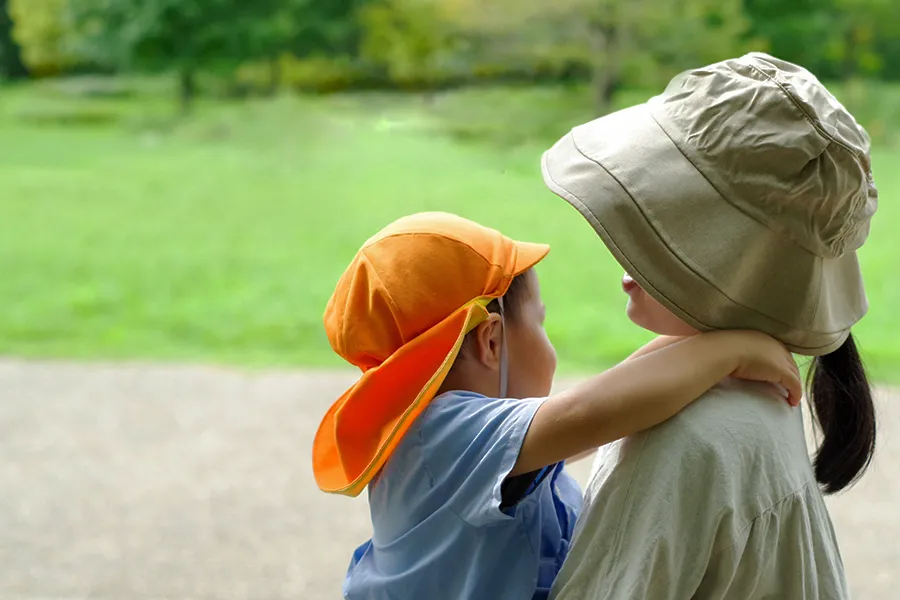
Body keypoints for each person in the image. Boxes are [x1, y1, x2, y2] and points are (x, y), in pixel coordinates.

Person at [311, 211, 802, 600]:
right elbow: (594, 411)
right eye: (540, 323)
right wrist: (730, 352)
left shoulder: (453, 442)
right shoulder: (442, 434)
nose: (550, 346)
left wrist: (706, 341)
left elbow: (620, 394)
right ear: (491, 341)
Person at [541, 53, 878, 599]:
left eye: (666, 228)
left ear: (742, 262)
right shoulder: (757, 387)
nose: (626, 255)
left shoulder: (683, 436)